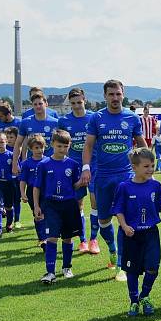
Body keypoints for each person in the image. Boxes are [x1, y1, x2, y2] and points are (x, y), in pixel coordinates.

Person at [79, 80, 147, 281]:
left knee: (125, 220)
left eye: (118, 94)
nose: (115, 98)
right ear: (105, 96)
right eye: (111, 94)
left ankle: (121, 266)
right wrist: (86, 168)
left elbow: (141, 144)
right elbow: (89, 146)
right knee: (103, 220)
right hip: (103, 177)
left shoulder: (132, 118)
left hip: (126, 177)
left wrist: (147, 165)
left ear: (123, 94)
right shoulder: (97, 118)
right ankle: (112, 249)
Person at [111, 148, 161, 316]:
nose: (151, 169)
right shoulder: (124, 187)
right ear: (134, 167)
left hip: (151, 234)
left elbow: (159, 207)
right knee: (132, 270)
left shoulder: (156, 186)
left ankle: (144, 297)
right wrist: (124, 226)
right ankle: (133, 301)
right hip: (131, 235)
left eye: (152, 165)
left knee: (153, 267)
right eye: (146, 166)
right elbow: (118, 209)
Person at [32, 129, 83, 284]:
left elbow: (74, 185)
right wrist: (36, 206)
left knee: (67, 238)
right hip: (51, 205)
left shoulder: (73, 165)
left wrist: (82, 181)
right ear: (52, 144)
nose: (62, 149)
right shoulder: (44, 164)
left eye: (65, 146)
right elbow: (36, 187)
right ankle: (50, 272)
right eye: (59, 146)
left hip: (69, 205)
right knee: (51, 238)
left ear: (69, 146)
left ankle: (67, 267)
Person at [58, 88, 97, 253]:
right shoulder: (64, 121)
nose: (76, 106)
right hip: (73, 169)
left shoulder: (94, 117)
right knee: (78, 205)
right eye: (73, 103)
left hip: (94, 166)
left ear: (85, 100)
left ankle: (94, 240)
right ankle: (82, 240)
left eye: (79, 102)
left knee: (96, 204)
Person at [13, 90, 59, 169]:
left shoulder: (56, 123)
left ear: (46, 104)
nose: (38, 106)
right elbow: (18, 144)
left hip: (52, 163)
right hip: (33, 164)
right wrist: (15, 163)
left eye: (40, 104)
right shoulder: (26, 122)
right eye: (35, 104)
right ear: (32, 106)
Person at [19, 135, 48, 250]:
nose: (39, 150)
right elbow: (23, 180)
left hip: (46, 191)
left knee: (46, 215)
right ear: (31, 149)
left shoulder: (48, 161)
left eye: (41, 148)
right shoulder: (26, 163)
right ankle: (41, 238)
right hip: (32, 191)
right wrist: (22, 193)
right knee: (38, 215)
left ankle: (45, 239)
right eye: (36, 148)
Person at [4, 127, 23, 229]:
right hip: (6, 179)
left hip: (17, 178)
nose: (9, 139)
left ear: (17, 138)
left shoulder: (19, 148)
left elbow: (23, 162)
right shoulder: (3, 148)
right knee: (8, 201)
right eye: (7, 137)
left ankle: (17, 220)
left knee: (17, 200)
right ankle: (9, 221)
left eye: (11, 137)